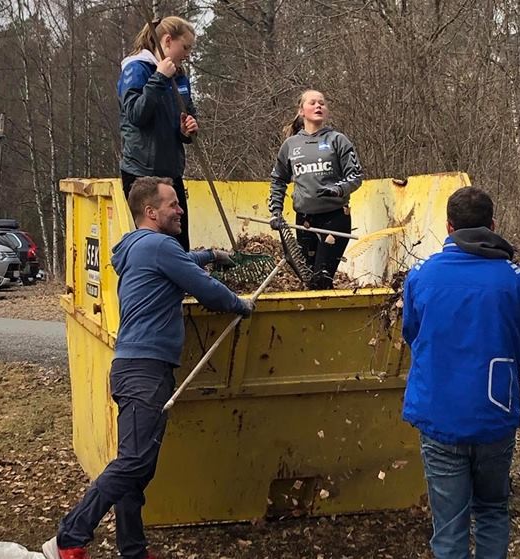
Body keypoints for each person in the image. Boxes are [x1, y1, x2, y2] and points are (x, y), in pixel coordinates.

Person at [42, 177, 251, 559]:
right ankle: (69, 537)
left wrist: (206, 255)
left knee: (137, 468)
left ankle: (133, 551)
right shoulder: (159, 245)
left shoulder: (140, 248)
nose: (180, 210)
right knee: (134, 461)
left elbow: (182, 266)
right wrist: (239, 304)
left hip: (132, 367)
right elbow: (206, 291)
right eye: (173, 204)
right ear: (151, 212)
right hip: (145, 369)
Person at [401, 187, 520, 559]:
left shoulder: (421, 276)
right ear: (493, 225)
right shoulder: (515, 279)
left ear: (448, 227)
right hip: (494, 415)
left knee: (448, 529)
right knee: (492, 509)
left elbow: (412, 334)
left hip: (439, 416)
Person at [268, 89, 364, 289]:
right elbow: (278, 179)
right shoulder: (290, 145)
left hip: (335, 218)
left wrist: (337, 190)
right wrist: (275, 211)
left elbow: (356, 176)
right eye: (312, 103)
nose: (319, 106)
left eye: (322, 103)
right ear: (301, 111)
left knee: (321, 278)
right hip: (304, 221)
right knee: (308, 278)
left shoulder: (337, 140)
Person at [117, 16, 198, 251]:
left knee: (180, 243)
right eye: (185, 47)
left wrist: (188, 129)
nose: (187, 54)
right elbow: (136, 114)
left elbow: (187, 116)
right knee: (153, 246)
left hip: (171, 172)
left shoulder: (181, 76)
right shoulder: (136, 69)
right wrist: (159, 78)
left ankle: (180, 287)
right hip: (142, 173)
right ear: (167, 41)